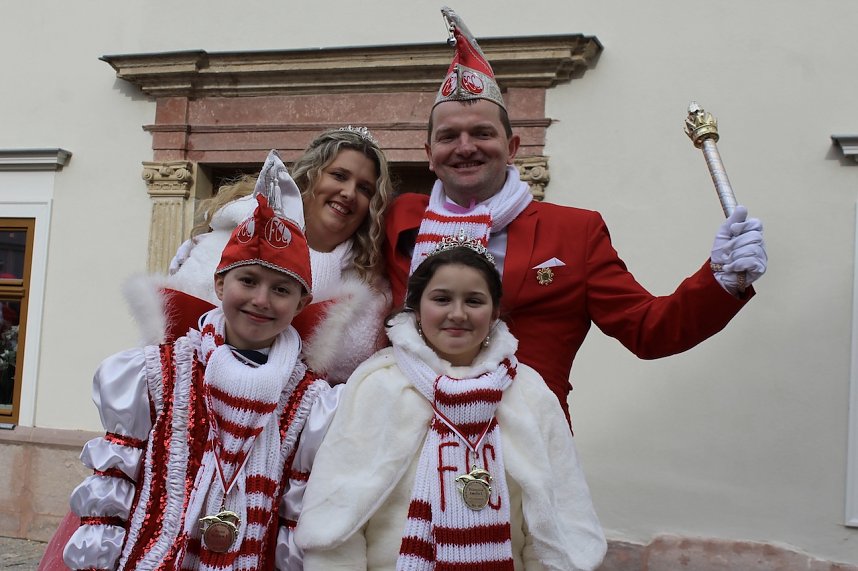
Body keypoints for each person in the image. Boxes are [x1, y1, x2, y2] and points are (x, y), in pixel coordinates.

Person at [384, 7, 768, 423]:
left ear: (513, 148)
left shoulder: (575, 231)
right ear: (429, 156)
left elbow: (649, 330)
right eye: (448, 136)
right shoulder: (399, 219)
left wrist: (721, 280)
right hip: (407, 443)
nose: (465, 146)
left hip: (527, 449)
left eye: (482, 133)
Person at [62, 158, 336, 570]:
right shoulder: (156, 372)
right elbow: (113, 488)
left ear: (301, 303)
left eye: (280, 289)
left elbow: (294, 519)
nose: (261, 300)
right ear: (220, 283)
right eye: (247, 281)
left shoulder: (310, 402)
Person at [295, 239, 607, 570]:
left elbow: (555, 528)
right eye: (442, 299)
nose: (457, 314)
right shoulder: (378, 384)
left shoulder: (528, 393)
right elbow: (336, 521)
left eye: (473, 301)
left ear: (495, 312)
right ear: (416, 308)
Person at [167, 125, 395, 383]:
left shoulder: (373, 290)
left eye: (365, 188)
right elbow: (175, 340)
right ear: (311, 176)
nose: (349, 193)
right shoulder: (228, 242)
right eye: (339, 175)